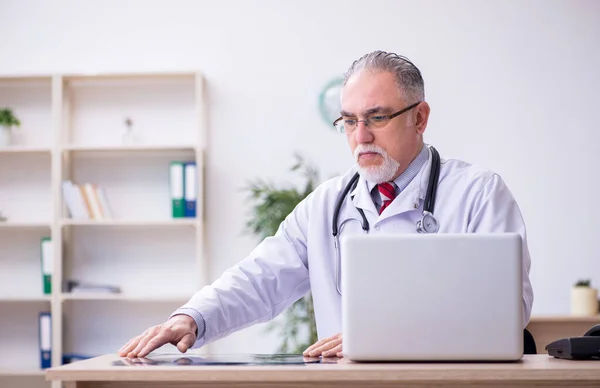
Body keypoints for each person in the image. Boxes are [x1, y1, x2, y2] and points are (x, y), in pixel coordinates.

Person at [118, 50, 534, 359]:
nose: (361, 136)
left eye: (377, 117)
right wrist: (192, 317)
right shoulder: (327, 205)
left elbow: (507, 310)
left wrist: (383, 338)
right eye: (349, 121)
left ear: (420, 118)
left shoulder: (478, 194)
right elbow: (259, 277)